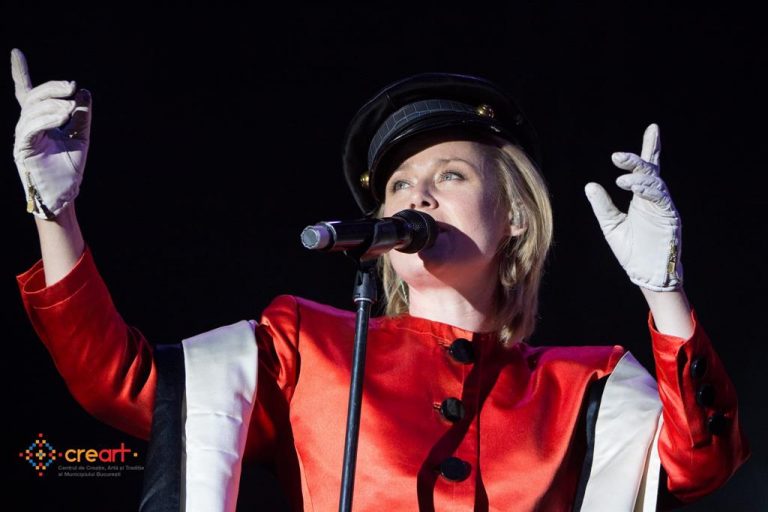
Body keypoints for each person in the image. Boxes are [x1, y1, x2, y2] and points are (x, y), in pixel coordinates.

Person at [11, 47, 749, 511]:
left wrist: (663, 290)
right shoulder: (306, 345)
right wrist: (56, 213)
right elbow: (119, 380)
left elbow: (703, 464)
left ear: (516, 217)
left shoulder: (587, 387)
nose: (415, 196)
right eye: (398, 186)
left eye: (450, 175)